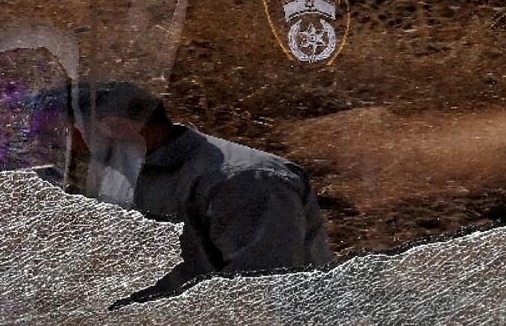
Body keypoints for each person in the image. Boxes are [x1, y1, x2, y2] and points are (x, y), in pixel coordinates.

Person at [30, 80, 332, 306]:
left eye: (58, 134)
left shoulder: (246, 181)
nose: (51, 145)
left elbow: (260, 291)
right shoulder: (119, 169)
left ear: (114, 126)